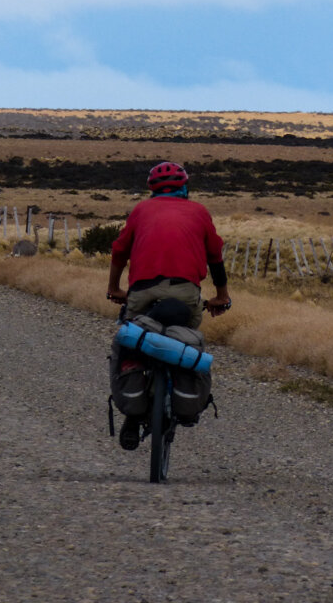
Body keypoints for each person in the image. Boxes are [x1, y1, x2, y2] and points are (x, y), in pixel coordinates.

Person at [106, 160, 231, 449]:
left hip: (142, 291)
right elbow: (215, 256)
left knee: (132, 342)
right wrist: (221, 296)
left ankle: (133, 415)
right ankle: (184, 400)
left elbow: (119, 251)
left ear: (152, 190)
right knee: (184, 339)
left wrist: (114, 288)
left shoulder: (141, 210)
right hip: (185, 292)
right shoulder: (199, 211)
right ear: (185, 188)